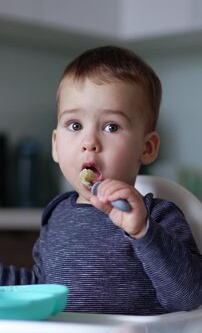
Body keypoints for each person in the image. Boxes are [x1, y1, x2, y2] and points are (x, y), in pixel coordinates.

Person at [1, 45, 202, 315]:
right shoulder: (57, 215)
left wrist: (143, 231)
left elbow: (188, 297)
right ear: (55, 144)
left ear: (147, 147)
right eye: (75, 125)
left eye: (111, 127)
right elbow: (42, 287)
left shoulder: (157, 217)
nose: (89, 142)